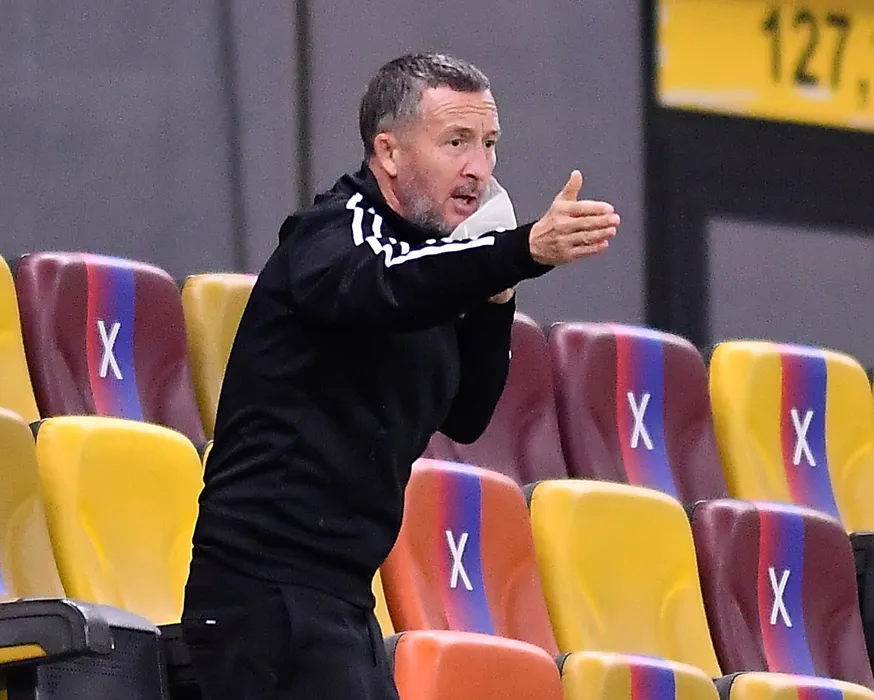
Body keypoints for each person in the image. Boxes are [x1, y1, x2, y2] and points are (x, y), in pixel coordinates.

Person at [181, 52, 620, 699]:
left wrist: (497, 297)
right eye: (456, 142)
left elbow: (467, 414)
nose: (480, 168)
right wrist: (516, 251)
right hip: (262, 588)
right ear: (388, 152)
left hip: (344, 596)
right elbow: (386, 288)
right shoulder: (335, 231)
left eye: (489, 144)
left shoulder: (432, 267)